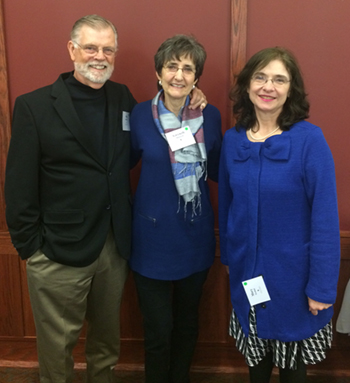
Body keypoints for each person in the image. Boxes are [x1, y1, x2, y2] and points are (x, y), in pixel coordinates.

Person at [4, 15, 206, 383]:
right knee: (56, 350)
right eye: (91, 47)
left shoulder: (124, 99)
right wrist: (30, 248)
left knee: (106, 346)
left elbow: (156, 126)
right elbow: (18, 184)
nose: (100, 56)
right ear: (72, 50)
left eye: (108, 49)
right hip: (57, 252)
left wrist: (192, 99)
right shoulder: (33, 106)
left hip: (114, 247)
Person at [218, 47, 340, 383]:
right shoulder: (233, 140)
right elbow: (227, 204)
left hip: (294, 282)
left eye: (279, 79)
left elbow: (326, 220)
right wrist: (229, 258)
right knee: (255, 365)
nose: (268, 86)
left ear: (291, 89)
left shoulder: (309, 141)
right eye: (260, 77)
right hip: (247, 276)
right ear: (247, 85)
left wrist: (322, 288)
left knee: (291, 370)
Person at [129, 35, 222, 383]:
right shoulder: (139, 115)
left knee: (186, 325)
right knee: (157, 331)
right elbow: (123, 163)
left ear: (197, 77)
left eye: (188, 68)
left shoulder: (210, 116)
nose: (179, 76)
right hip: (150, 241)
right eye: (172, 66)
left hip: (194, 238)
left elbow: (217, 171)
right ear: (158, 71)